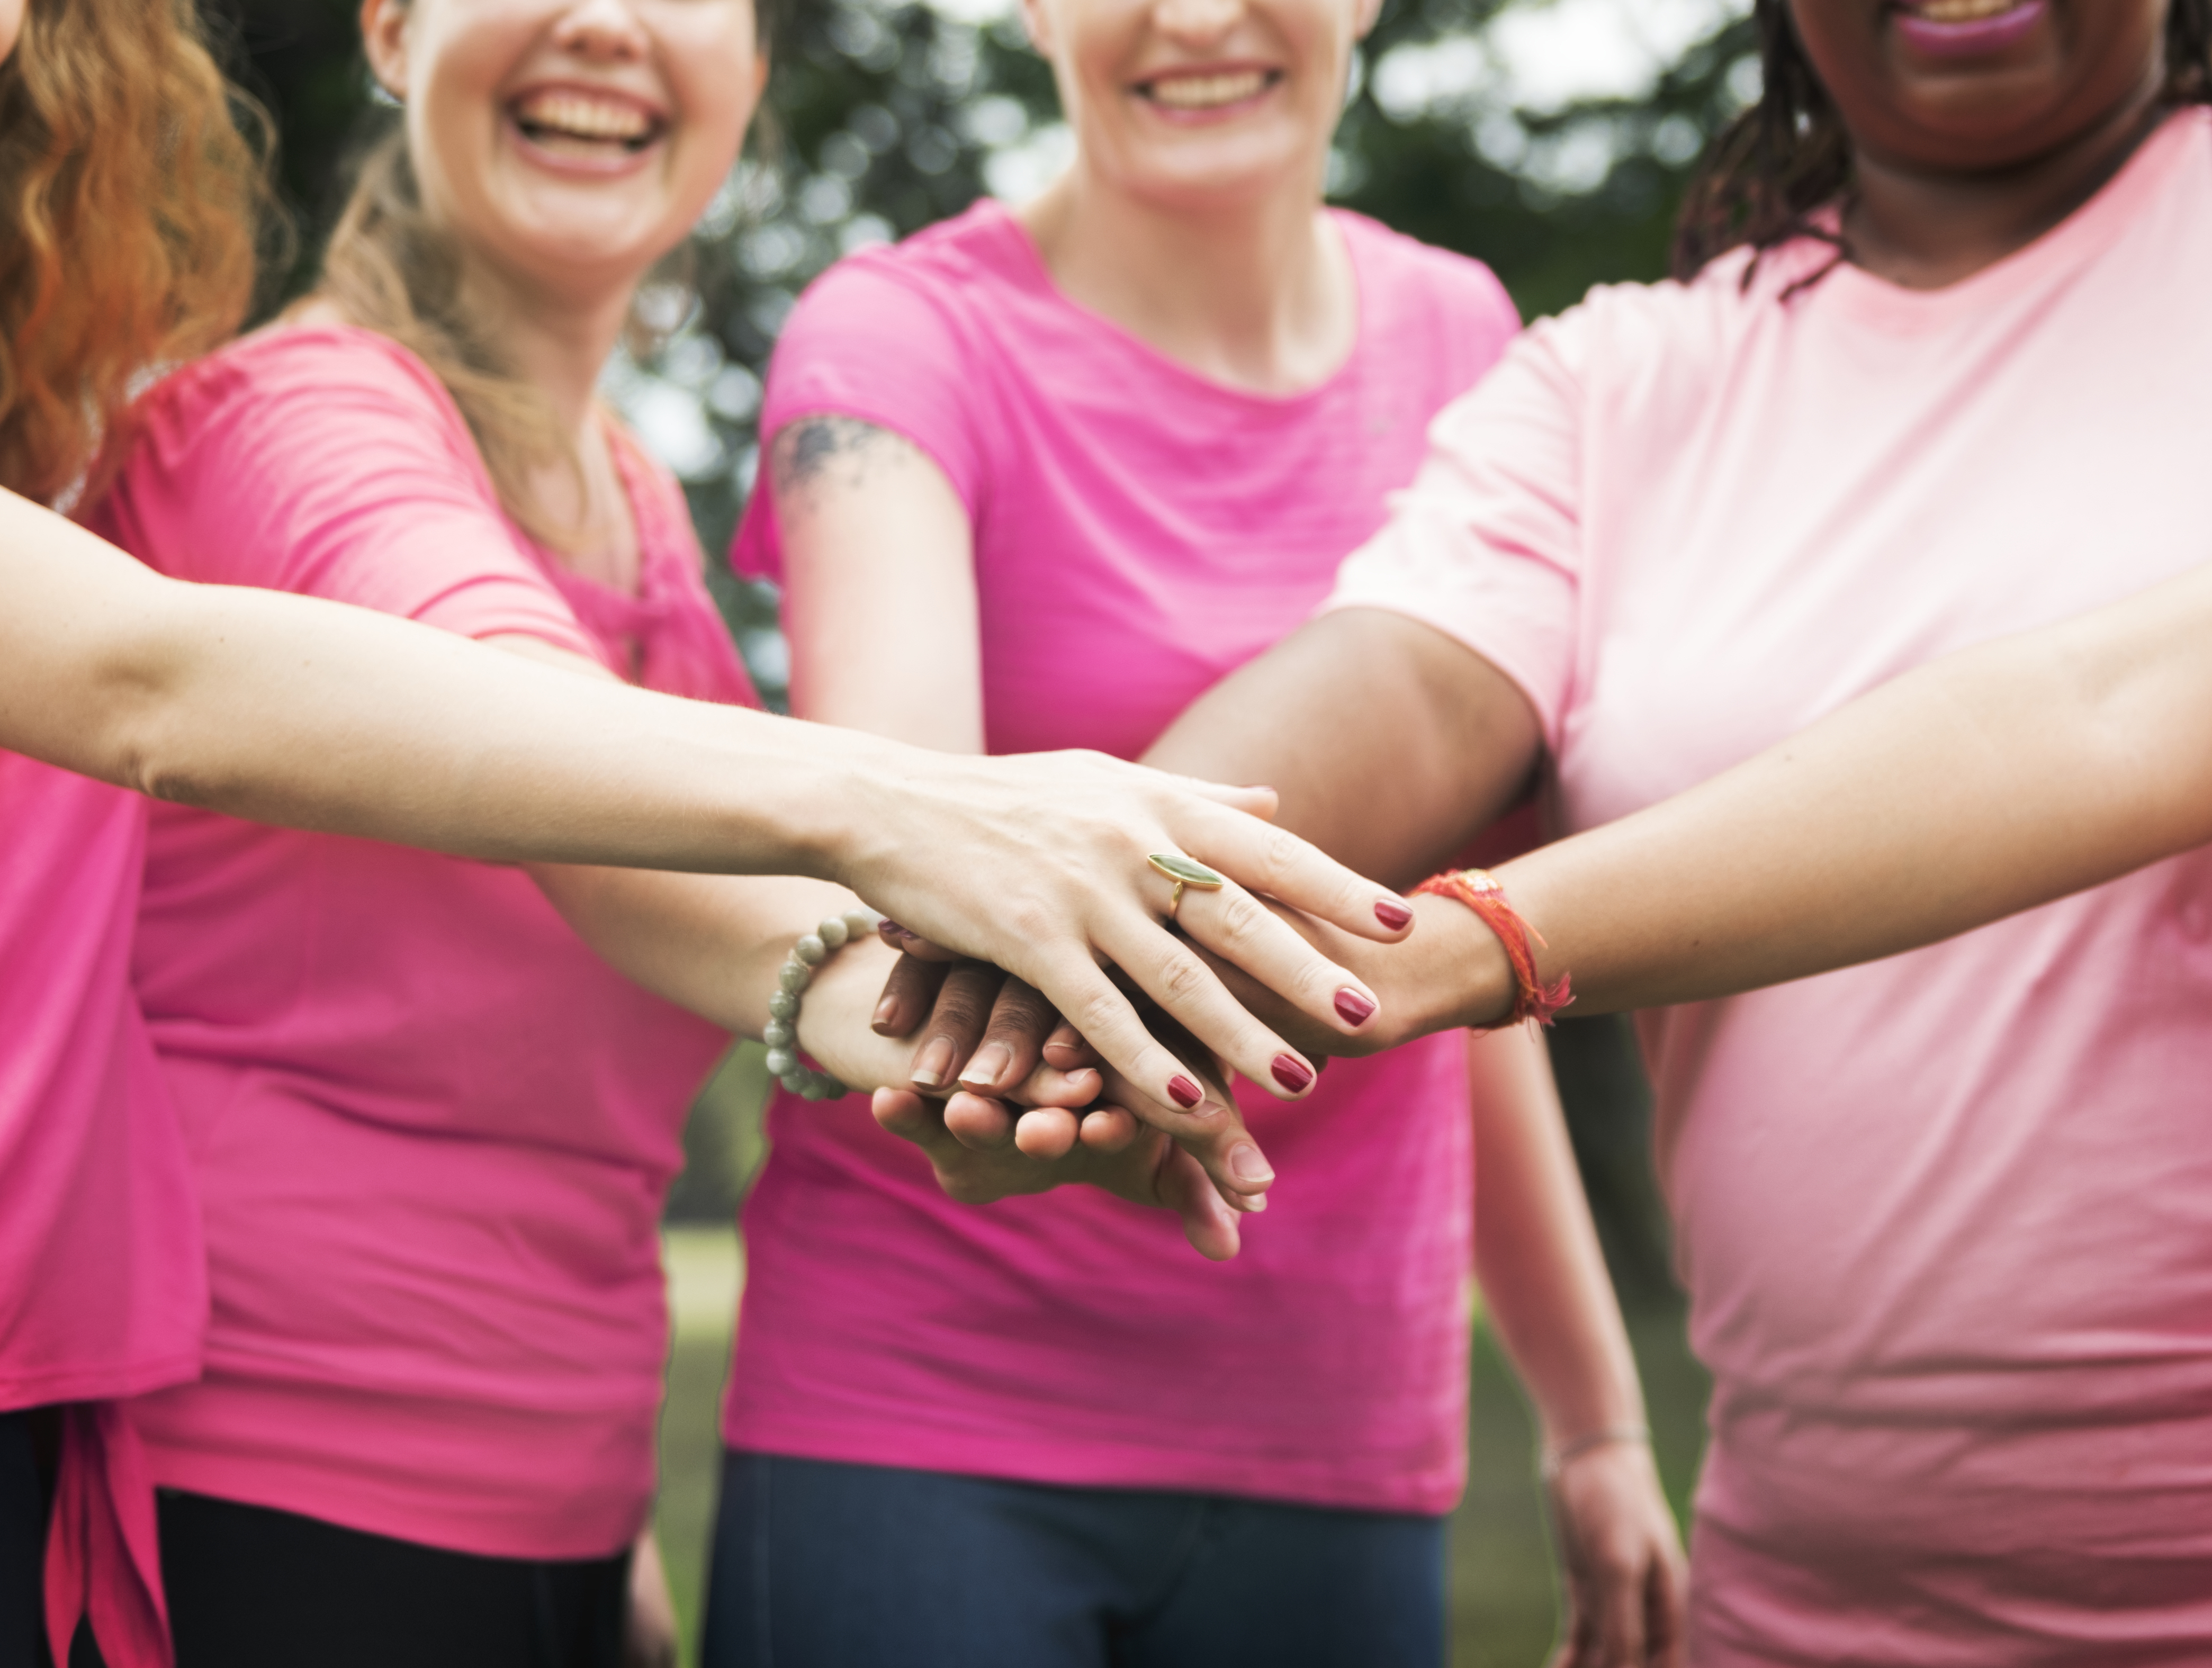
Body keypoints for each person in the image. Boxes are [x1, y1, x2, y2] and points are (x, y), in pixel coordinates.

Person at [0, 2, 1409, 1663]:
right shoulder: (292, 417)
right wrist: (942, 919)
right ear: (390, 29)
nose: (604, 23)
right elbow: (563, 788)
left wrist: (606, 1519)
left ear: (756, 71)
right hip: (276, 1501)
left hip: (550, 1507)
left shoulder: (636, 491)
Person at [900, 0, 2212, 1657]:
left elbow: (2111, 722)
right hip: (1801, 1600)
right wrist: (1087, 946)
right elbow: (1404, 685)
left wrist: (1474, 943)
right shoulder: (1625, 379)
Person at [711, 0, 1686, 1657]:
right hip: (918, 1412)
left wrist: (1592, 1417)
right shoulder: (890, 344)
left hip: (1338, 1425)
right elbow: (897, 837)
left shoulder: (1461, 336)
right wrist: (1004, 1076)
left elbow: (1443, 948)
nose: (1194, 16)